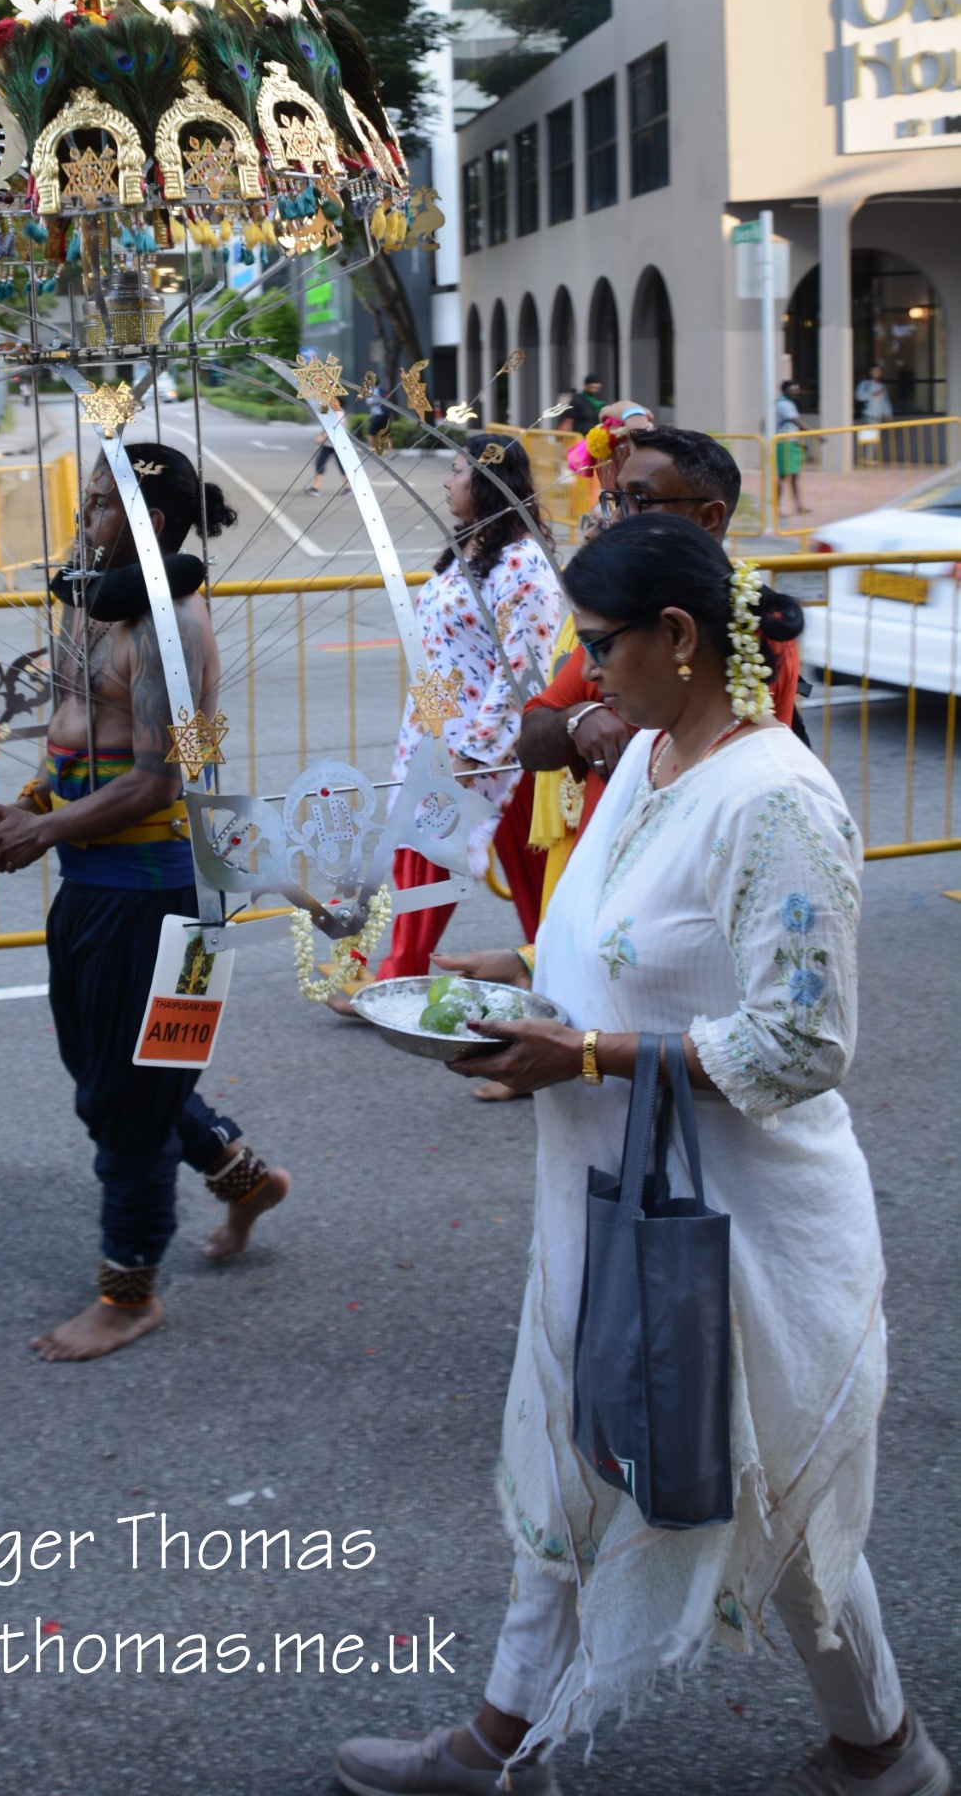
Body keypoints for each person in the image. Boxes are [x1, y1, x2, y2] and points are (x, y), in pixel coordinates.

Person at [334, 519, 949, 1796]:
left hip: (734, 1228)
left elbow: (803, 1039)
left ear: (678, 636)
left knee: (768, 1497)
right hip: (608, 1195)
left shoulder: (776, 798)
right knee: (578, 1453)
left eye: (599, 643)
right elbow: (597, 947)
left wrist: (590, 1057)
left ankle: (882, 1749)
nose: (582, 671)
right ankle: (507, 1743)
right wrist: (467, 981)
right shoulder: (653, 756)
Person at [0, 443, 289, 1361]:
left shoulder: (172, 630)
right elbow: (70, 738)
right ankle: (242, 1176)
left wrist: (46, 833)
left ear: (149, 527)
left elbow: (157, 782)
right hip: (89, 894)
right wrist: (29, 807)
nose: (84, 521)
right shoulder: (92, 608)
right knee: (114, 1076)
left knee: (128, 1097)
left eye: (102, 507)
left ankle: (129, 1293)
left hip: (159, 903)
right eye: (87, 502)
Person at [508, 426, 805, 927]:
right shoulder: (621, 614)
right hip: (604, 894)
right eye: (615, 498)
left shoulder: (754, 641)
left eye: (640, 501)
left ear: (678, 635)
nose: (618, 517)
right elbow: (534, 739)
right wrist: (578, 718)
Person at [369, 431, 561, 981]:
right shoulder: (473, 550)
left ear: (487, 482)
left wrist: (475, 754)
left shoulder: (524, 564)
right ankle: (400, 972)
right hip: (439, 738)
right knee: (428, 852)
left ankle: (555, 971)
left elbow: (523, 670)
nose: (447, 481)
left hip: (494, 752)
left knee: (524, 872)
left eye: (457, 470)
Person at [778, 379, 809, 517]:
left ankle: (798, 506)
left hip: (791, 442)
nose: (796, 391)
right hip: (784, 442)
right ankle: (776, 509)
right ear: (785, 391)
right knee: (783, 476)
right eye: (793, 389)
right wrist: (816, 435)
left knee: (795, 475)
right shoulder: (783, 403)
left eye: (797, 389)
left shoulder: (788, 403)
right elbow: (795, 421)